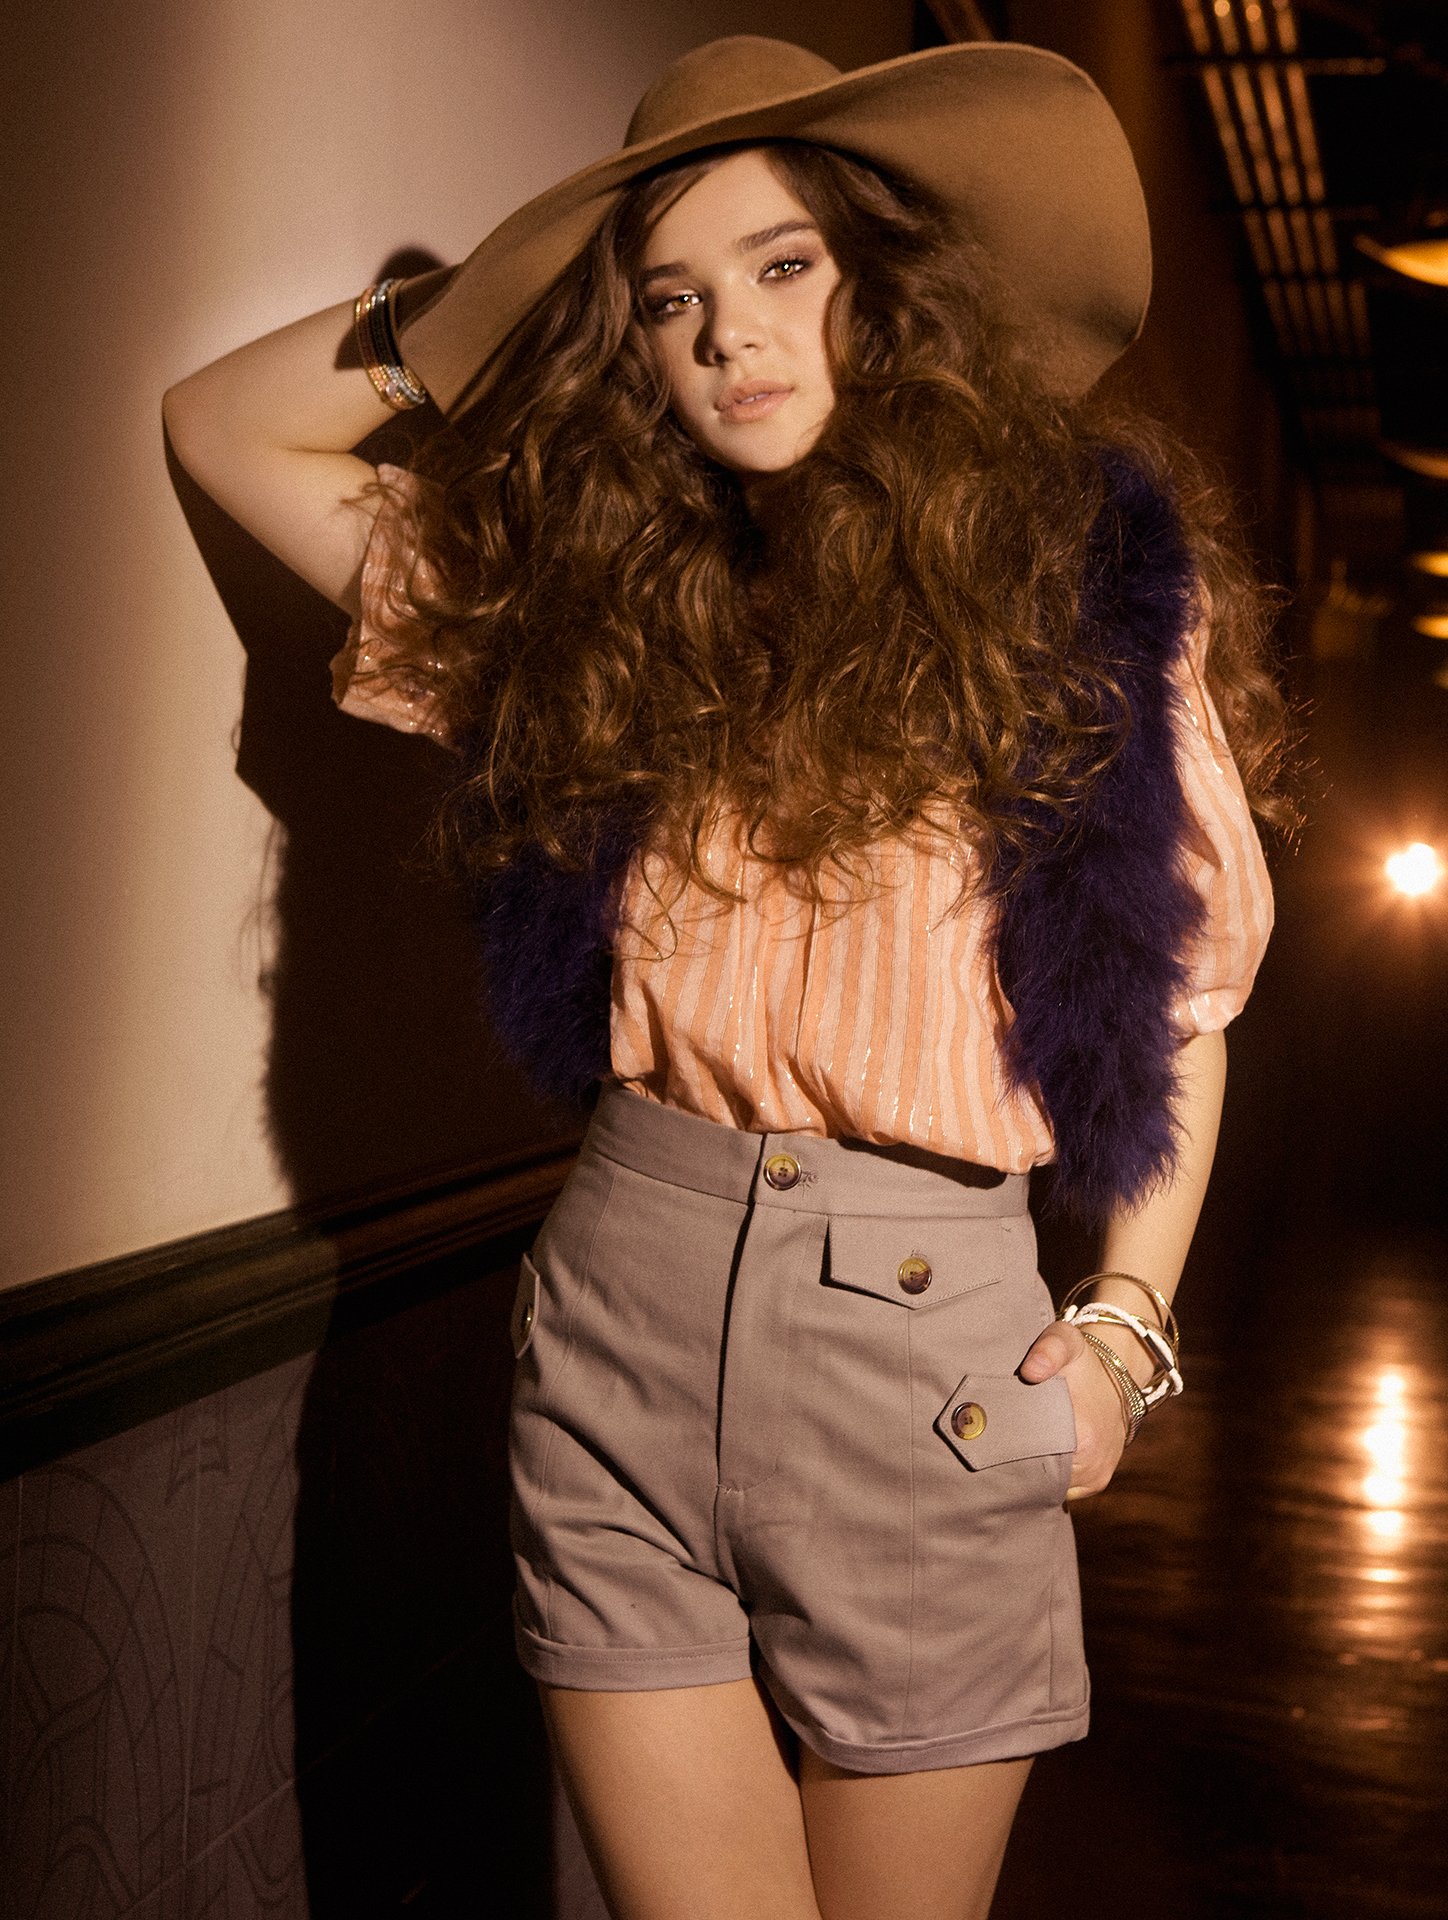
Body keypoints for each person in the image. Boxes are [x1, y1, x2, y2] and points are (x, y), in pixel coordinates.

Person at [163, 35, 1290, 1920]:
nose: (729, 337)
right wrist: (485, 306)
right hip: (622, 1303)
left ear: (891, 286)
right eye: (670, 297)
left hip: (922, 1349)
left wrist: (1122, 1338)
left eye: (784, 266)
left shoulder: (1069, 596)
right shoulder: (603, 612)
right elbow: (225, 424)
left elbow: (1185, 1008)